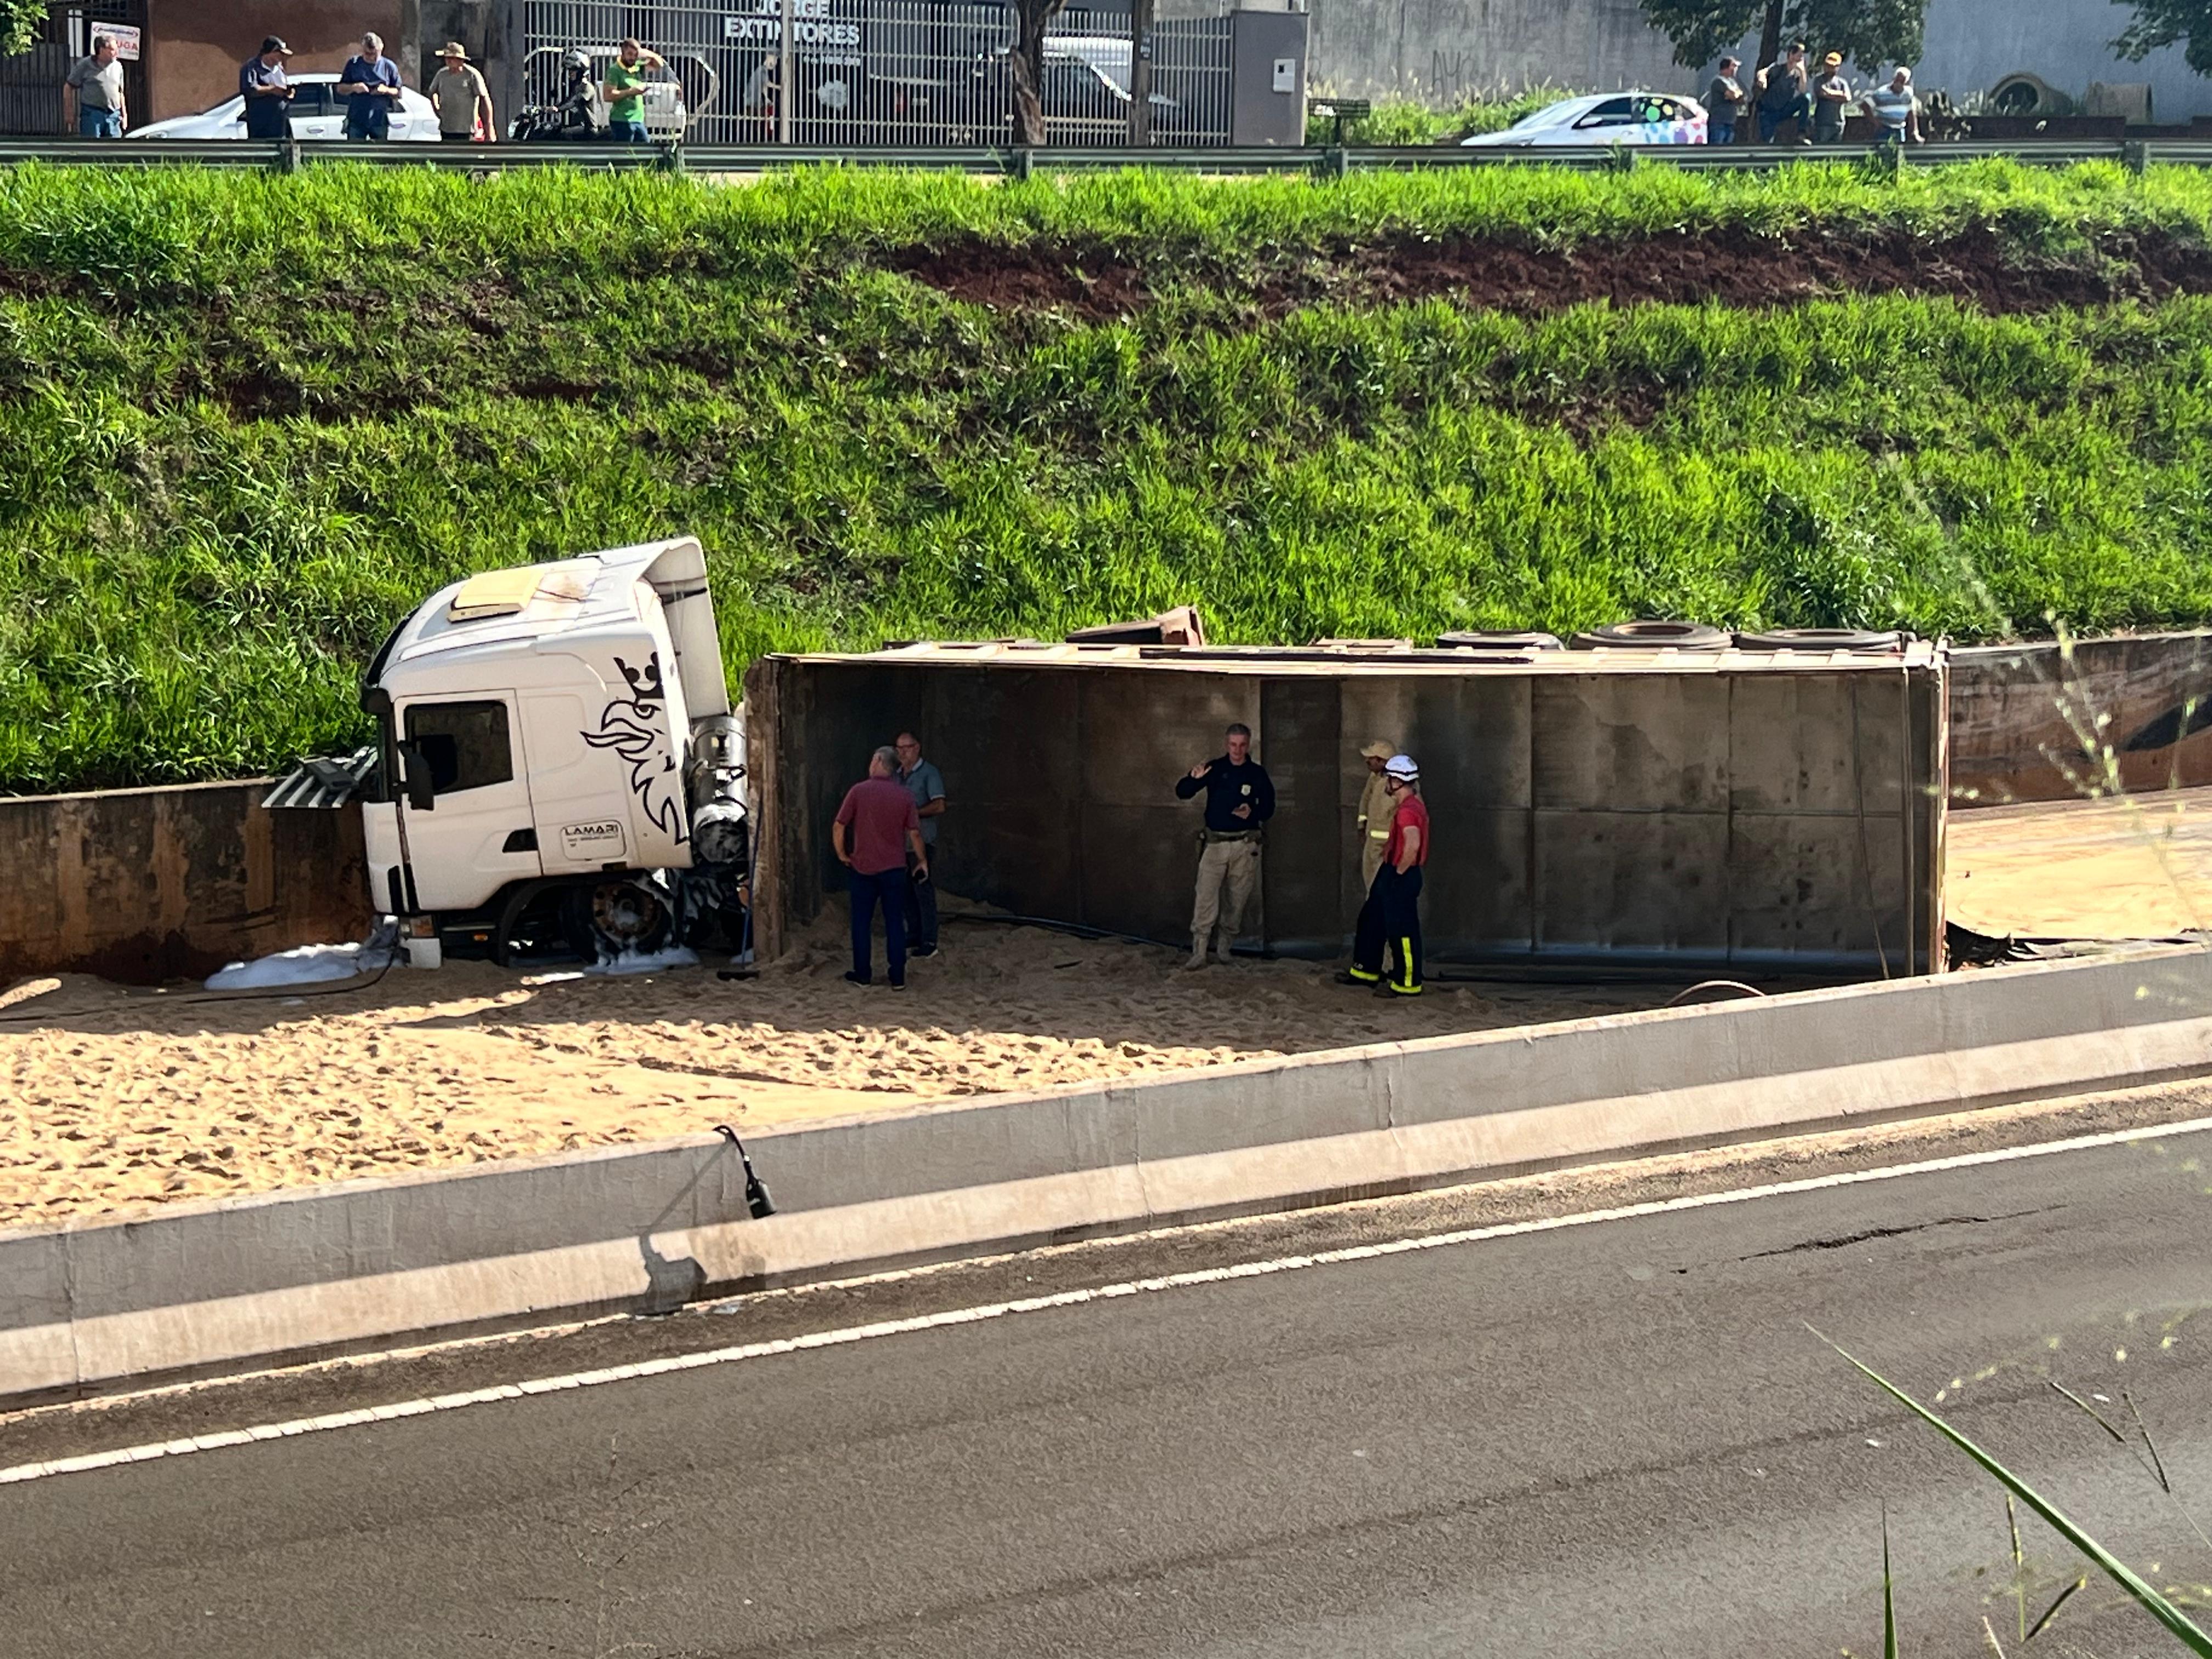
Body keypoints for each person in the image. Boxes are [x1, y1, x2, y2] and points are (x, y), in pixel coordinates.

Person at [1174, 721, 1274, 969]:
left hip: (1245, 843)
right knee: (1205, 897)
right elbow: (1183, 793)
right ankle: (1199, 950)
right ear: (1226, 744)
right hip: (1215, 843)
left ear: (1248, 744)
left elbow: (1269, 807)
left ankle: (1225, 948)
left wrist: (1253, 811)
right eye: (1233, 745)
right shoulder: (1215, 768)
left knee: (1237, 899)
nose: (1237, 750)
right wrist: (1192, 778)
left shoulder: (1256, 773)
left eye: (1242, 745)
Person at [831, 746, 927, 989]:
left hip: (863, 867)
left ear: (877, 761)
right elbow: (914, 833)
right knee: (895, 922)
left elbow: (839, 826)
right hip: (894, 868)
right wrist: (921, 860)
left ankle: (863, 974)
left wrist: (843, 854)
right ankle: (898, 977)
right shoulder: (905, 796)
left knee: (861, 923)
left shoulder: (859, 791)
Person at [1345, 755, 1427, 997]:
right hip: (1392, 868)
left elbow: (1412, 846)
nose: (1387, 784)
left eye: (1389, 779)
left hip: (1401, 872)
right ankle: (1365, 971)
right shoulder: (1410, 807)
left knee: (1402, 931)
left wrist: (1398, 875)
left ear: (1398, 782)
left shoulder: (1408, 811)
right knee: (1372, 918)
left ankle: (1406, 982)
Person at [893, 731, 945, 958]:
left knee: (923, 890)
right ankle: (914, 933)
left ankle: (929, 940)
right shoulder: (896, 775)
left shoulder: (929, 773)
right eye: (899, 749)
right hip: (899, 843)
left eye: (907, 747)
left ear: (917, 748)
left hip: (922, 842)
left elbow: (939, 806)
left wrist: (914, 814)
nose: (903, 753)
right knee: (905, 891)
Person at [338, 33, 404, 142]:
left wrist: (385, 90)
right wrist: (354, 87)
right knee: (355, 153)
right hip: (357, 119)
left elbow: (399, 92)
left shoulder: (389, 66)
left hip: (379, 119)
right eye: (368, 54)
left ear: (381, 50)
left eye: (375, 54)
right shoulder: (353, 64)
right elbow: (340, 88)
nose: (372, 57)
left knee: (380, 154)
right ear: (363, 50)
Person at [602, 38, 667, 144]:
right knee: (625, 155)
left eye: (635, 54)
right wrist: (631, 92)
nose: (632, 58)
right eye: (630, 54)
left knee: (645, 150)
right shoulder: (615, 70)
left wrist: (648, 53)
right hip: (622, 120)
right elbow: (608, 96)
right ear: (623, 53)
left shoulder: (637, 66)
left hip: (638, 119)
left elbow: (659, 65)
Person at [428, 42, 495, 143]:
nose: (448, 61)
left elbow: (484, 99)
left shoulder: (472, 75)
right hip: (447, 127)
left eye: (452, 58)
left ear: (460, 60)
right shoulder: (442, 74)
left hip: (467, 128)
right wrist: (437, 108)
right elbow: (433, 92)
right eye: (447, 58)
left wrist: (489, 127)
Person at [1355, 738, 1397, 893]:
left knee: (1384, 890)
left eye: (1371, 758)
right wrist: (1361, 826)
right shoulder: (1375, 777)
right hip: (1372, 843)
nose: (1367, 761)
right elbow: (1365, 801)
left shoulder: (1399, 782)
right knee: (1371, 888)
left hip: (1388, 847)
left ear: (1382, 761)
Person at [64, 35, 126, 138]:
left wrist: (124, 115)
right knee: (93, 148)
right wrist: (69, 112)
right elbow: (68, 87)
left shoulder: (118, 67)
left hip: (113, 115)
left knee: (115, 150)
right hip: (92, 114)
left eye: (117, 49)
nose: (116, 52)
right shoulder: (85, 65)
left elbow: (121, 93)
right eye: (112, 50)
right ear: (101, 49)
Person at [1753, 41, 1811, 144]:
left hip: (1784, 109)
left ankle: (1801, 134)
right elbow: (1762, 72)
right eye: (1799, 56)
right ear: (1791, 55)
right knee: (1767, 142)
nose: (1801, 59)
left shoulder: (1798, 75)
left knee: (1805, 99)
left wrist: (1803, 72)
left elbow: (1802, 90)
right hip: (1769, 112)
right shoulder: (1778, 69)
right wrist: (1763, 80)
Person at [239, 36, 295, 139]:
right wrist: (272, 90)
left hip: (281, 123)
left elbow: (283, 87)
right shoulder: (251, 67)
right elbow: (250, 90)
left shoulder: (280, 69)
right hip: (262, 126)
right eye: (280, 54)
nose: (283, 58)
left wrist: (288, 93)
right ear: (271, 52)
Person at [1866, 66, 1922, 146]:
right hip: (1884, 129)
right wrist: (1876, 122)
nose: (1899, 83)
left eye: (1902, 81)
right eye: (1898, 80)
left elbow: (1911, 112)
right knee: (1882, 153)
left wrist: (1915, 131)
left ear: (1906, 82)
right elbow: (1866, 105)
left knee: (1898, 154)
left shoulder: (1908, 93)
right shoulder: (1882, 92)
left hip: (1899, 129)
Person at [1812, 52, 1852, 143]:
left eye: (1833, 66)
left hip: (1839, 123)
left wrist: (1829, 93)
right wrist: (1839, 96)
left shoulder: (1842, 83)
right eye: (1828, 65)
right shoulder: (1819, 80)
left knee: (1836, 151)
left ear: (1838, 67)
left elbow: (1848, 98)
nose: (1829, 68)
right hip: (1822, 123)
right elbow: (1821, 93)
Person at [1704, 56, 1743, 147]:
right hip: (1719, 123)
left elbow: (1741, 97)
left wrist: (1736, 95)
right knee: (1716, 149)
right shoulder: (1718, 81)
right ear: (1726, 67)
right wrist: (1735, 95)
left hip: (1730, 122)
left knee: (1727, 150)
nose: (1736, 69)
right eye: (1733, 66)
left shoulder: (1733, 82)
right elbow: (1733, 96)